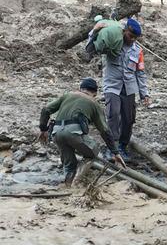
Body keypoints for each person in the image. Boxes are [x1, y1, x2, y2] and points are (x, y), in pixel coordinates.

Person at [85, 18, 150, 162]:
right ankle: (112, 147)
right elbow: (89, 49)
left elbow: (140, 73)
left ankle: (122, 146)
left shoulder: (137, 51)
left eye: (135, 38)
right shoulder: (112, 42)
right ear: (124, 31)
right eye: (130, 36)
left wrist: (144, 93)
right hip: (112, 86)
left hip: (129, 88)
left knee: (128, 119)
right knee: (113, 115)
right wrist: (94, 31)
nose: (132, 40)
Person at [38, 78, 125, 185]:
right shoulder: (94, 104)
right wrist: (115, 152)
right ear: (95, 93)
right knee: (93, 152)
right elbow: (105, 130)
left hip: (56, 133)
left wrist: (43, 129)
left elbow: (46, 109)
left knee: (69, 165)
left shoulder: (67, 95)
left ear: (80, 89)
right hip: (74, 134)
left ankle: (68, 184)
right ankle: (77, 181)